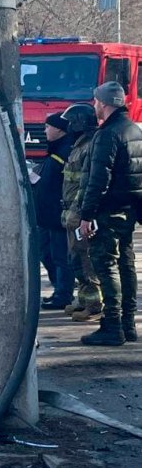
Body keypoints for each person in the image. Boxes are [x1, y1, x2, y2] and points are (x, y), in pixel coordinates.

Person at [78, 81, 142, 346]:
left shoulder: (107, 134)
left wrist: (86, 214)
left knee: (106, 265)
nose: (94, 105)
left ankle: (112, 326)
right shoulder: (134, 129)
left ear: (103, 104)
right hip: (130, 210)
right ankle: (128, 324)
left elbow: (98, 179)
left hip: (108, 211)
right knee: (126, 265)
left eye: (96, 101)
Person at [59, 104, 102, 322]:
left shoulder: (89, 147)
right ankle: (83, 300)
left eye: (70, 122)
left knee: (86, 259)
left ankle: (93, 305)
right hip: (71, 211)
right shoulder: (78, 145)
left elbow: (86, 184)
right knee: (75, 258)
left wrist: (78, 211)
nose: (67, 126)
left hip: (79, 212)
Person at [34, 111, 75, 310]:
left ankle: (63, 294)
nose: (45, 131)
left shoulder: (66, 151)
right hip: (47, 215)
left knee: (60, 256)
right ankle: (59, 288)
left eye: (48, 127)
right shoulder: (56, 150)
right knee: (46, 253)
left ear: (59, 129)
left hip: (58, 214)